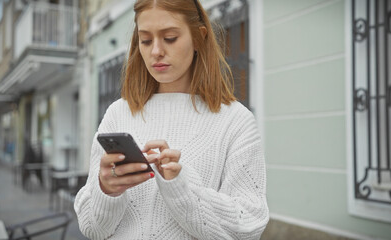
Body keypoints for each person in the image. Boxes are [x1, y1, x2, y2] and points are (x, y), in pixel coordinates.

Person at [74, 0, 269, 239]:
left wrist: (181, 187)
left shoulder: (236, 121)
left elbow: (248, 228)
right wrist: (106, 190)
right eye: (145, 40)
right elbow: (92, 229)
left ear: (199, 37)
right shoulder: (118, 114)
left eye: (170, 38)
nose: (156, 51)